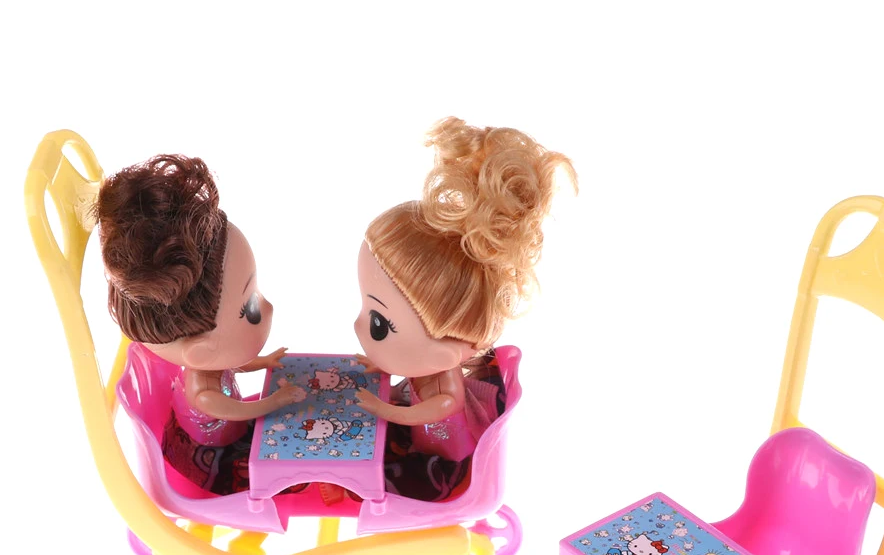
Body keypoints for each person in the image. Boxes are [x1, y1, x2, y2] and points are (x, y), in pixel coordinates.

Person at [352, 117, 575, 498]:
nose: (359, 326)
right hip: (421, 438)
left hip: (442, 461)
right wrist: (380, 368)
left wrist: (386, 410)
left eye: (379, 325)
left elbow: (435, 407)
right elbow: (412, 375)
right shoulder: (431, 365)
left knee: (376, 476)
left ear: (444, 352)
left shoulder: (445, 381)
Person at [96, 155, 305, 493]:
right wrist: (275, 402)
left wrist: (264, 362)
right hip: (214, 458)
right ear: (201, 352)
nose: (266, 306)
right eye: (250, 308)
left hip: (232, 434)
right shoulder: (204, 395)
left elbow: (230, 364)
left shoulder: (211, 362)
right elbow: (238, 409)